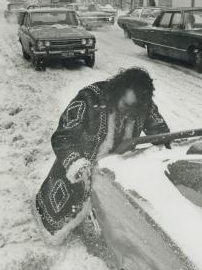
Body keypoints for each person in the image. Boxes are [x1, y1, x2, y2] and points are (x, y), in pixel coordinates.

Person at [34, 67, 170, 245]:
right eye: (125, 106)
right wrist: (76, 162)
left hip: (114, 169)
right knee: (60, 220)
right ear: (117, 90)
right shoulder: (89, 98)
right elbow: (63, 137)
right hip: (79, 168)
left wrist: (162, 149)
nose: (128, 113)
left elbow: (161, 133)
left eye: (133, 110)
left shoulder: (143, 104)